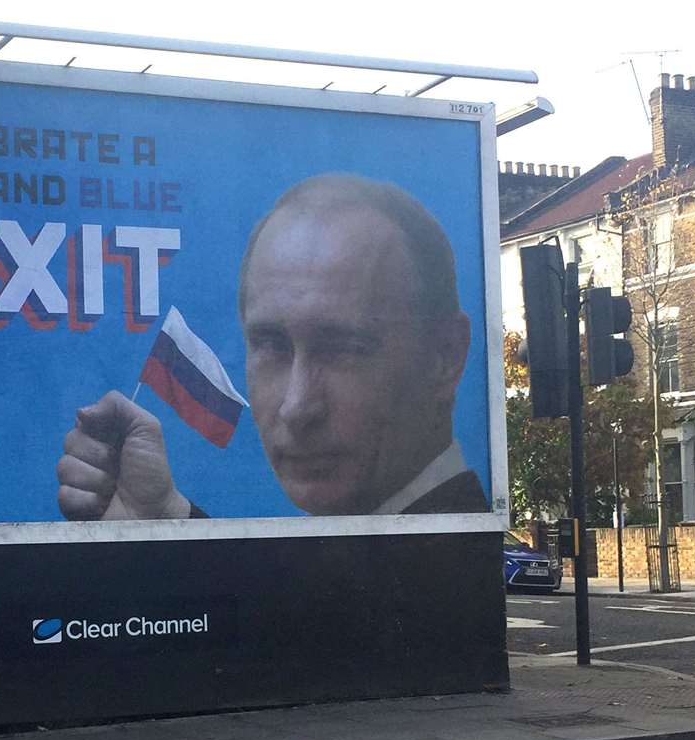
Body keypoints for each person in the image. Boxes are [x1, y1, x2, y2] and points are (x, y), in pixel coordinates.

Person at [56, 173, 488, 519]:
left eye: (344, 349)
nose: (297, 408)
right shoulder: (365, 536)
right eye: (271, 346)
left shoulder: (441, 565)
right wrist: (163, 513)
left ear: (444, 356)